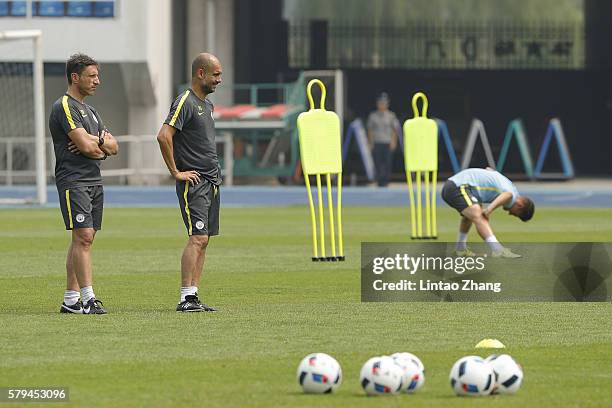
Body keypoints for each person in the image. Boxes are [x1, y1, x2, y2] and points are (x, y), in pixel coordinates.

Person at [49, 53, 119, 314]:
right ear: (74, 77)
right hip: (73, 179)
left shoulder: (92, 111)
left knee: (82, 240)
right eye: (92, 76)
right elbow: (88, 147)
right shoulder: (64, 106)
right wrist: (98, 144)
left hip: (94, 180)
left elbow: (113, 146)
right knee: (84, 237)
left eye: (97, 76)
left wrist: (97, 144)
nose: (97, 81)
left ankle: (70, 300)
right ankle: (88, 299)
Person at [157, 53, 222, 312]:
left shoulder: (207, 106)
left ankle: (193, 295)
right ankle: (185, 297)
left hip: (211, 181)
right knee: (197, 237)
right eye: (215, 74)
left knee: (204, 239)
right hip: (194, 182)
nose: (219, 79)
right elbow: (163, 136)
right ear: (200, 73)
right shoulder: (185, 101)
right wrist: (176, 171)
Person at [441, 167, 535, 258]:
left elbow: (489, 169)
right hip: (458, 187)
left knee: (469, 217)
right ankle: (498, 250)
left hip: (455, 185)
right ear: (520, 205)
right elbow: (507, 195)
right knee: (479, 216)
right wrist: (489, 210)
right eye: (515, 214)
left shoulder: (510, 185)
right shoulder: (512, 196)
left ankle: (460, 249)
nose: (510, 213)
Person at [367, 92, 399, 187]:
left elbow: (394, 130)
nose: (382, 105)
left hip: (387, 142)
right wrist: (370, 142)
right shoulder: (373, 116)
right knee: (378, 162)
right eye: (380, 103)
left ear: (387, 104)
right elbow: (370, 130)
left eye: (384, 103)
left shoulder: (391, 115)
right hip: (377, 142)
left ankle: (386, 180)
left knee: (387, 162)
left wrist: (394, 141)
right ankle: (379, 180)